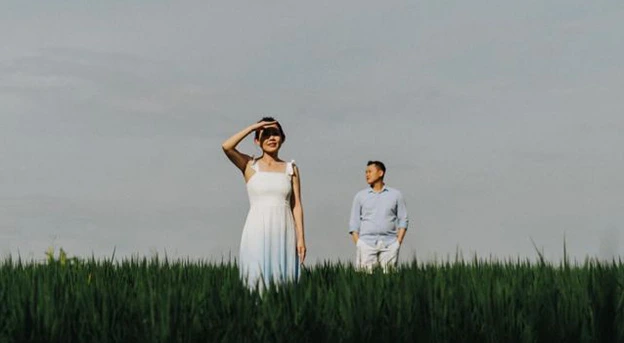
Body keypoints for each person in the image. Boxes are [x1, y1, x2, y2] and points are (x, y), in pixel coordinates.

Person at [221, 117, 306, 290]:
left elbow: (296, 205)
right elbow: (227, 146)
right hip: (256, 230)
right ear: (257, 140)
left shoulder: (291, 169)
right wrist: (254, 127)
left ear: (282, 138)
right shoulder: (249, 165)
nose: (272, 138)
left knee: (285, 283)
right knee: (256, 281)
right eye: (266, 134)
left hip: (284, 230)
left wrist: (301, 238)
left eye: (276, 134)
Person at [349, 161, 408, 272]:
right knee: (365, 280)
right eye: (366, 172)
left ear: (380, 173)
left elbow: (403, 219)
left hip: (389, 244)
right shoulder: (360, 196)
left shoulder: (396, 195)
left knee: (389, 280)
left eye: (370, 171)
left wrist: (398, 242)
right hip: (366, 244)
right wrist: (359, 243)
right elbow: (353, 222)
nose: (367, 175)